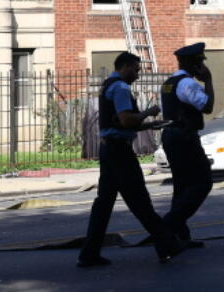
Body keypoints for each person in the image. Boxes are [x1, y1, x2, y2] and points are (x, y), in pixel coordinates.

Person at [77, 51, 183, 267]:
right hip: (120, 153)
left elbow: (119, 122)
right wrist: (149, 113)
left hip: (109, 151)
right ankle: (167, 246)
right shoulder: (121, 88)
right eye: (135, 69)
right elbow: (126, 120)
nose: (137, 74)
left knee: (104, 204)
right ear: (124, 67)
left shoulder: (108, 84)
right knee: (140, 201)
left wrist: (149, 125)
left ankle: (89, 253)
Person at [160, 42, 215, 249]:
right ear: (192, 63)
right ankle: (167, 226)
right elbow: (207, 106)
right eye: (200, 61)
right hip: (184, 137)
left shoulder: (169, 82)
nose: (201, 65)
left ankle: (180, 237)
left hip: (171, 136)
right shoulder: (187, 84)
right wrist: (208, 80)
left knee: (182, 187)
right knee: (203, 182)